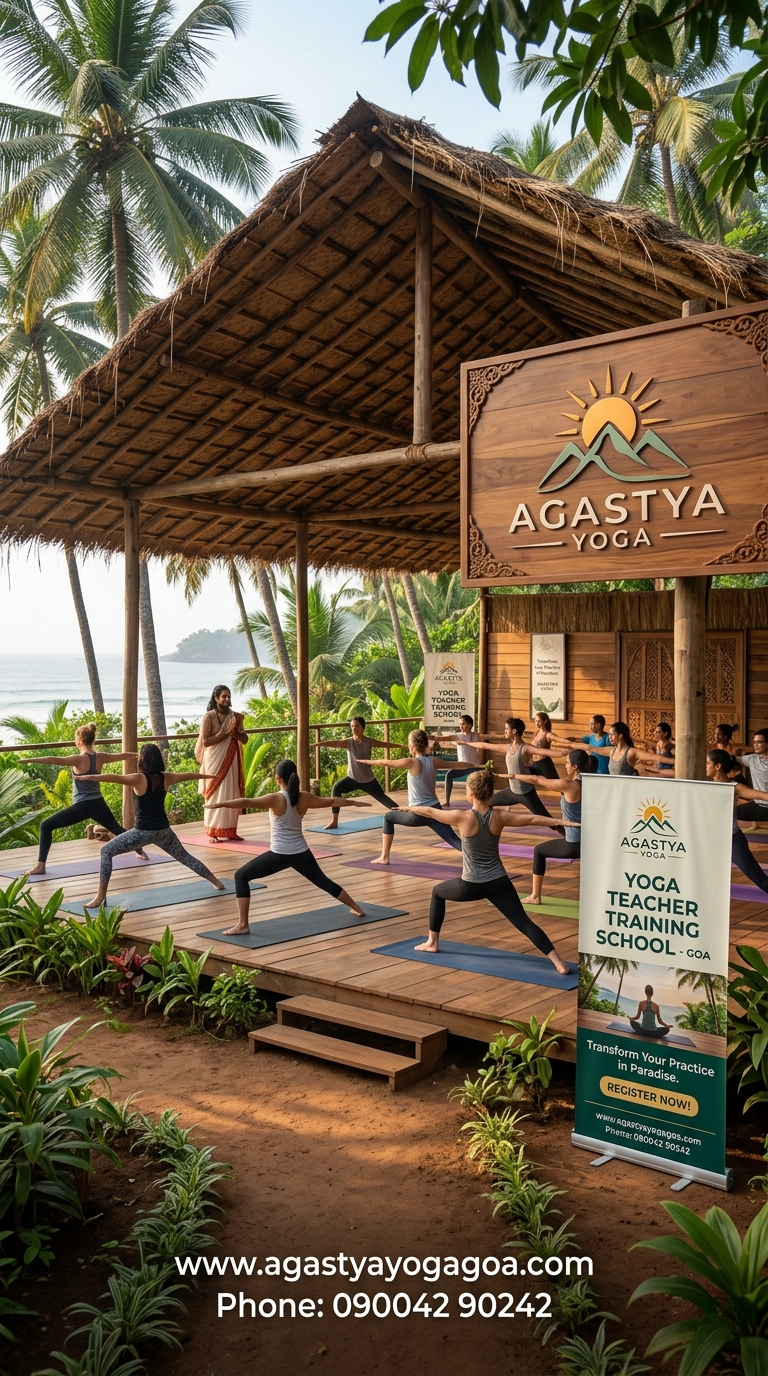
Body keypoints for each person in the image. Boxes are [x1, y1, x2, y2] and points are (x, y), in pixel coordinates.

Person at [403, 769, 570, 974]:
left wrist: (408, 808)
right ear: (490, 794)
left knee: (438, 892)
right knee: (524, 923)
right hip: (499, 883)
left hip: (471, 885)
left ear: (471, 793)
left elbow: (430, 812)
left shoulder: (462, 817)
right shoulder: (499, 816)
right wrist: (561, 822)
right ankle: (558, 962)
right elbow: (532, 819)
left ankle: (432, 942)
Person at [216, 759, 367, 936]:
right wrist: (354, 803)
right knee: (324, 882)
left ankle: (243, 924)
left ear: (277, 778)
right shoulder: (304, 797)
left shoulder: (276, 798)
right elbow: (330, 801)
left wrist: (219, 805)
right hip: (301, 853)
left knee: (241, 876)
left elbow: (247, 801)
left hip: (279, 855)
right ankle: (357, 908)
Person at [84, 744, 225, 909]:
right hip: (164, 831)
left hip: (143, 832)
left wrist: (88, 778)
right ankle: (217, 882)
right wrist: (209, 776)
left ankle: (100, 897)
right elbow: (188, 775)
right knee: (186, 858)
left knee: (105, 851)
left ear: (142, 760)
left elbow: (114, 777)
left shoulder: (139, 778)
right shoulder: (166, 777)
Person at [19, 724, 145, 875]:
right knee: (117, 829)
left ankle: (40, 866)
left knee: (46, 826)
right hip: (98, 803)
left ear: (78, 741)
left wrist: (30, 760)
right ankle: (139, 848)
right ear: (93, 741)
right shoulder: (101, 757)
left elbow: (53, 759)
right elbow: (122, 755)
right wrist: (138, 755)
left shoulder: (78, 759)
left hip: (82, 806)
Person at [507, 749, 587, 903]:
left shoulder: (569, 785)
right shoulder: (591, 783)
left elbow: (538, 780)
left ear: (575, 766)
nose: (565, 766)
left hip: (574, 843)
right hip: (589, 843)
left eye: (567, 763)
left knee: (539, 851)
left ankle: (535, 896)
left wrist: (515, 776)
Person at [372, 730, 462, 865]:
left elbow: (387, 763)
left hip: (418, 814)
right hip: (435, 811)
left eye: (409, 744)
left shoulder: (412, 762)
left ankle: (384, 857)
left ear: (413, 747)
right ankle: (481, 857)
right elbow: (456, 765)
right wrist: (476, 766)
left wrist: (367, 762)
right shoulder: (434, 761)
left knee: (388, 817)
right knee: (454, 840)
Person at [706, 749, 768, 894]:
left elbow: (763, 796)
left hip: (733, 840)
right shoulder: (705, 785)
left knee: (760, 879)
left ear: (718, 766)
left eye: (708, 763)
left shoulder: (734, 787)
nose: (705, 766)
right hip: (711, 841)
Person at [320, 717, 396, 829]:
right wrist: (320, 744)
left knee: (383, 798)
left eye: (357, 726)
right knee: (337, 788)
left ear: (363, 728)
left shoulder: (369, 741)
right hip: (352, 779)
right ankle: (334, 821)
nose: (354, 728)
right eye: (352, 726)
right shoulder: (348, 742)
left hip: (368, 780)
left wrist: (402, 746)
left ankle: (403, 813)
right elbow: (335, 743)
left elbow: (384, 744)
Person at [482, 718, 566, 818]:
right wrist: (465, 743)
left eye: (506, 729)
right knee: (487, 803)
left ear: (514, 731)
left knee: (547, 820)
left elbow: (545, 752)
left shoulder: (525, 748)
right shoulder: (508, 747)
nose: (504, 731)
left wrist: (566, 753)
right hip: (512, 791)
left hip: (526, 793)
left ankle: (568, 832)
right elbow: (484, 745)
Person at [195, 686, 248, 842]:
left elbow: (244, 740)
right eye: (224, 696)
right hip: (214, 761)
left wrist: (237, 733)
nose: (227, 699)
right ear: (216, 698)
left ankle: (231, 830)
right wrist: (224, 733)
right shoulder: (209, 717)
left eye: (228, 696)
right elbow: (206, 741)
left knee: (231, 793)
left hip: (231, 760)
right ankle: (213, 831)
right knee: (214, 794)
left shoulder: (235, 717)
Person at [570, 721, 661, 776]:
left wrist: (674, 762)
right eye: (609, 734)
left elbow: (656, 757)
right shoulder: (611, 751)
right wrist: (570, 744)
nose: (609, 737)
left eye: (612, 734)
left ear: (620, 735)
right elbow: (589, 747)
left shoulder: (630, 752)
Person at [430, 714, 482, 804]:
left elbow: (490, 736)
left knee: (479, 782)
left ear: (470, 725)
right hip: (461, 767)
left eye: (463, 724)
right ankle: (447, 801)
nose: (461, 726)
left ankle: (481, 802)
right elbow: (440, 738)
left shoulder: (476, 736)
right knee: (449, 775)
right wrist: (428, 737)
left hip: (474, 767)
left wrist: (501, 736)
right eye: (460, 724)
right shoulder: (457, 736)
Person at [732, 730, 768, 825]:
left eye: (759, 742)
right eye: (754, 742)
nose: (755, 745)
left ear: (767, 744)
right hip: (759, 806)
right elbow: (736, 759)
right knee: (731, 812)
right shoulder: (752, 759)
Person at [527, 711, 560, 780]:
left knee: (555, 782)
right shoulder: (536, 734)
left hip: (544, 763)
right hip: (534, 763)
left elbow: (558, 740)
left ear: (544, 722)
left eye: (539, 721)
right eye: (535, 721)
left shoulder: (548, 734)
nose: (536, 723)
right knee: (526, 778)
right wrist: (530, 760)